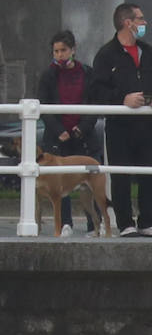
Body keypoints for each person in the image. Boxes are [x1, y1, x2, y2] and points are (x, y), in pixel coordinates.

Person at [88, 2, 152, 238]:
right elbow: (96, 91)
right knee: (121, 175)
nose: (144, 23)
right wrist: (122, 99)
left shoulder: (149, 52)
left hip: (149, 127)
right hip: (120, 127)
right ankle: (125, 224)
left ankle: (148, 221)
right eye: (140, 19)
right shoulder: (105, 55)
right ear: (128, 23)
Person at [37, 30, 99, 236]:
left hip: (84, 135)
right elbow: (43, 106)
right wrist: (59, 130)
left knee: (89, 179)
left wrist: (83, 127)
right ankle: (65, 223)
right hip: (58, 136)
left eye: (63, 50)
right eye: (56, 51)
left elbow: (94, 103)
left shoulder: (88, 73)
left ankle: (94, 224)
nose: (60, 55)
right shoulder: (48, 75)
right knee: (58, 181)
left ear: (73, 49)